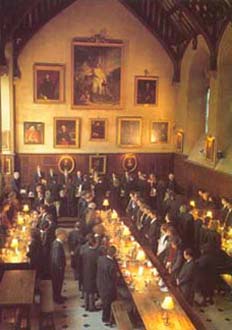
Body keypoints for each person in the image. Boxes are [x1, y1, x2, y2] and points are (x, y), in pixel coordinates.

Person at [97, 245, 117, 324]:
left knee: (104, 301)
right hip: (108, 287)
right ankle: (106, 318)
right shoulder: (112, 264)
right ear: (114, 254)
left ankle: (106, 316)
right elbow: (113, 277)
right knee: (107, 303)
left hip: (100, 283)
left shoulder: (101, 259)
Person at [50, 229, 67, 304]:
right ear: (60, 235)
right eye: (64, 235)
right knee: (57, 283)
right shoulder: (57, 245)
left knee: (59, 283)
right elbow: (56, 258)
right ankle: (57, 299)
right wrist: (60, 267)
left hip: (57, 268)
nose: (65, 237)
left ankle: (58, 296)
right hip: (57, 269)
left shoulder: (57, 243)